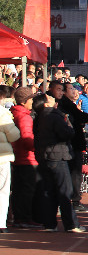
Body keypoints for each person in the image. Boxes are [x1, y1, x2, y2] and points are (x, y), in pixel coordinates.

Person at [33, 94, 83, 232]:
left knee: (49, 191)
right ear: (46, 104)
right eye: (49, 98)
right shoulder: (54, 116)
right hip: (57, 155)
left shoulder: (38, 117)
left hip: (43, 156)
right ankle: (71, 224)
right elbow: (66, 133)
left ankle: (49, 224)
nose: (53, 99)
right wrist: (69, 126)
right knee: (64, 190)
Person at [56, 81, 88, 214]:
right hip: (70, 143)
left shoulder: (69, 104)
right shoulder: (65, 105)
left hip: (71, 143)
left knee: (73, 173)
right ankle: (74, 201)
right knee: (74, 173)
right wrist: (85, 117)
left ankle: (72, 201)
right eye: (71, 89)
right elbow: (81, 117)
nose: (74, 91)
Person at [10, 87, 40, 228]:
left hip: (18, 157)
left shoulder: (14, 113)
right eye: (31, 100)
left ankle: (19, 218)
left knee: (19, 190)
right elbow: (27, 139)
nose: (32, 102)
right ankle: (25, 218)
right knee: (27, 190)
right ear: (24, 101)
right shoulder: (24, 117)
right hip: (27, 158)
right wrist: (38, 146)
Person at [0, 99, 21, 232]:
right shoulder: (2, 113)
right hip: (2, 157)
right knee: (3, 190)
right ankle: (1, 223)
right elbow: (14, 135)